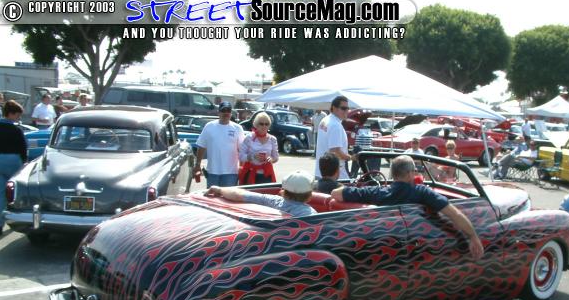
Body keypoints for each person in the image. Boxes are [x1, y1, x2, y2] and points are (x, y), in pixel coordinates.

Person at [330, 155, 484, 259]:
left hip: (384, 243)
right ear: (410, 174)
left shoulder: (377, 192)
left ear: (393, 174)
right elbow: (454, 214)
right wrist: (473, 236)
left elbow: (336, 194)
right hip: (415, 244)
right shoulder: (421, 192)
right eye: (414, 171)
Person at [207, 170, 317, 218]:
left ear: (284, 191)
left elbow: (237, 194)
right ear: (309, 196)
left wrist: (219, 189)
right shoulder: (310, 214)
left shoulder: (272, 200)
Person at [195, 101, 245, 187]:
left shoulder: (238, 128)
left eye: (228, 111)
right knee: (212, 195)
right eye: (223, 110)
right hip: (212, 172)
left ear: (231, 113)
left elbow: (242, 149)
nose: (226, 113)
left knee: (228, 195)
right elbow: (202, 146)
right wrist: (197, 164)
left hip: (231, 173)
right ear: (218, 112)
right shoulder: (209, 126)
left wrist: (241, 166)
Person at [0, 100, 28, 236]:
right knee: (15, 191)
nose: (18, 118)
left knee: (0, 193)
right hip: (13, 160)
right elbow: (23, 148)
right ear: (11, 114)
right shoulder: (16, 130)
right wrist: (24, 162)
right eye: (17, 115)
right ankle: (16, 218)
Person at [314, 95, 351, 180]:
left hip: (321, 172)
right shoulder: (335, 125)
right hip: (334, 176)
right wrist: (350, 157)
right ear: (334, 108)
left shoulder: (325, 120)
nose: (346, 111)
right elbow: (335, 151)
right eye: (343, 108)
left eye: (347, 108)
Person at [238, 111, 278, 184]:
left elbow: (276, 158)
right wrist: (252, 156)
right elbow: (241, 156)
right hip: (250, 172)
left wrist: (271, 159)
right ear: (256, 125)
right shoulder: (249, 137)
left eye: (266, 124)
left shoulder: (273, 139)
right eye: (261, 124)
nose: (264, 126)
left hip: (266, 173)